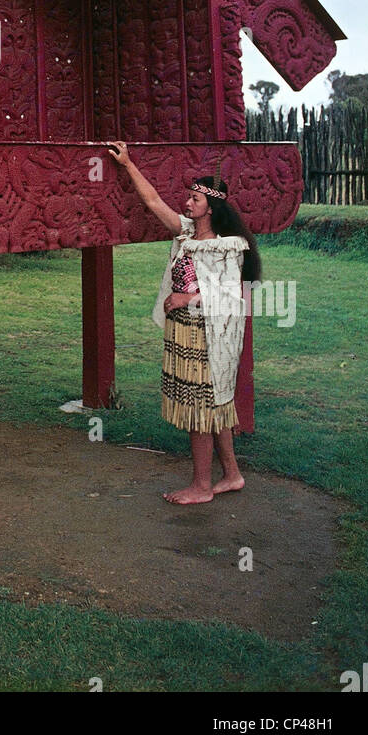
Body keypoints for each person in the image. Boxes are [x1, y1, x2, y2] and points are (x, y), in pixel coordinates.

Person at [106, 141, 262, 505]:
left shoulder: (228, 247)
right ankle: (232, 475)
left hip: (208, 335)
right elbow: (153, 202)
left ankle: (201, 486)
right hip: (186, 331)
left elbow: (231, 297)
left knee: (201, 408)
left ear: (211, 207)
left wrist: (185, 299)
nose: (187, 203)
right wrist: (128, 164)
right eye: (189, 198)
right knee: (216, 405)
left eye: (195, 199)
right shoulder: (188, 234)